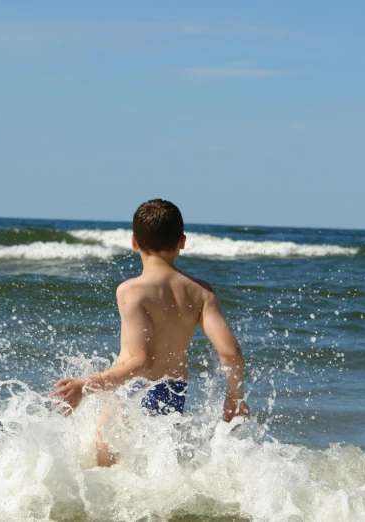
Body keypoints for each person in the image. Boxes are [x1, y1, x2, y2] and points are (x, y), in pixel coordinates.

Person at [49, 199, 250, 466]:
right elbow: (230, 352)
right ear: (182, 241)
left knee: (108, 473)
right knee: (151, 469)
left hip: (135, 390)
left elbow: (140, 362)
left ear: (134, 242)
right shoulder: (201, 292)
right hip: (174, 392)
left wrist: (85, 386)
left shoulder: (132, 291)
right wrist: (234, 398)